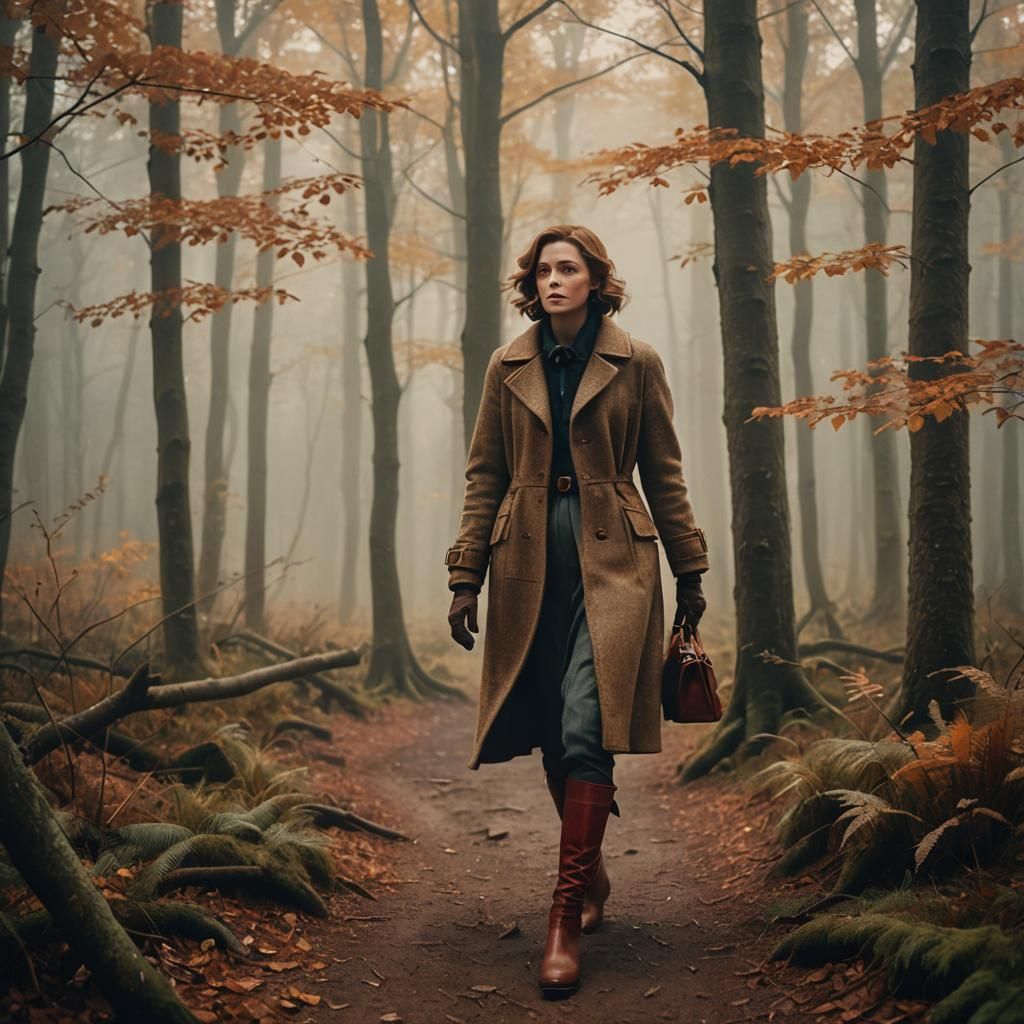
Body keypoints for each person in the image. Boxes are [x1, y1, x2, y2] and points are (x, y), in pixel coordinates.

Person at [444, 225, 709, 998]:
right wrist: (466, 576)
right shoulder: (507, 365)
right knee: (553, 734)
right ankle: (590, 876)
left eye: (570, 268)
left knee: (585, 724)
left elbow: (666, 471)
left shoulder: (637, 361)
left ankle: (563, 914)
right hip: (527, 560)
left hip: (617, 563)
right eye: (545, 270)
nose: (555, 280)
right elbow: (483, 475)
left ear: (596, 279)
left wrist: (690, 568)